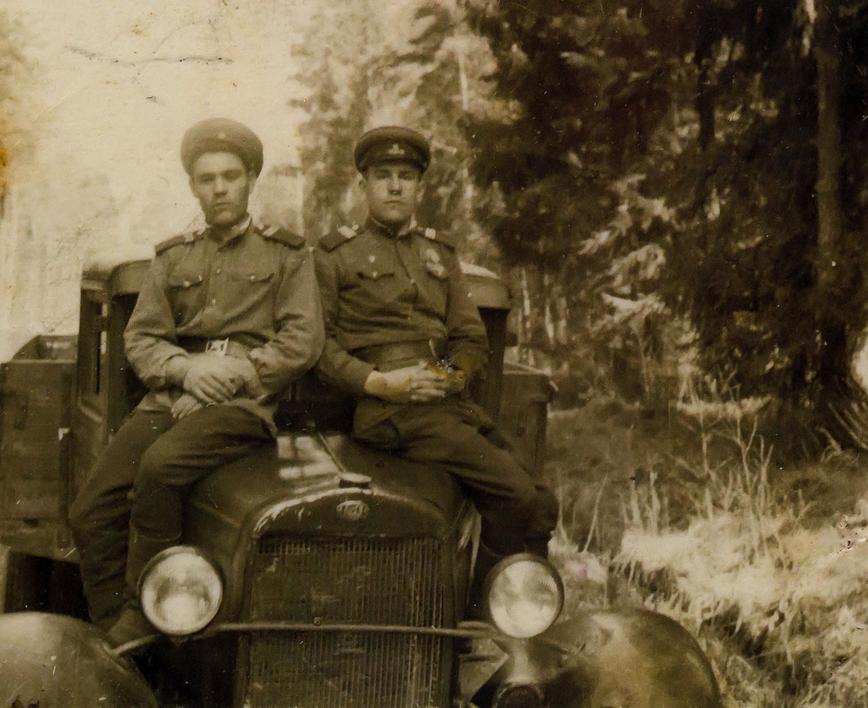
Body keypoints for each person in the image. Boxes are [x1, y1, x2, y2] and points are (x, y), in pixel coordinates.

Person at [68, 117, 324, 644]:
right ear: (193, 187)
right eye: (207, 179)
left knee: (160, 469)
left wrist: (230, 377)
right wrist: (187, 371)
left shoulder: (286, 254)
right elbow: (142, 338)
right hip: (170, 399)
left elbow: (302, 340)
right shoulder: (173, 257)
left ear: (250, 180)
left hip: (242, 405)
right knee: (91, 509)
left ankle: (143, 612)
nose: (219, 188)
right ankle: (119, 634)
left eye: (230, 176)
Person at [314, 126, 557, 596]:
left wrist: (443, 376)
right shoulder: (334, 254)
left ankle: (518, 609)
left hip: (443, 402)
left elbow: (470, 338)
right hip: (386, 408)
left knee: (542, 504)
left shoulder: (439, 252)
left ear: (420, 188)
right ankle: (479, 613)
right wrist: (382, 383)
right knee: (515, 495)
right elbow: (320, 349)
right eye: (383, 176)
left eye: (405, 177)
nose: (395, 186)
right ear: (363, 185)